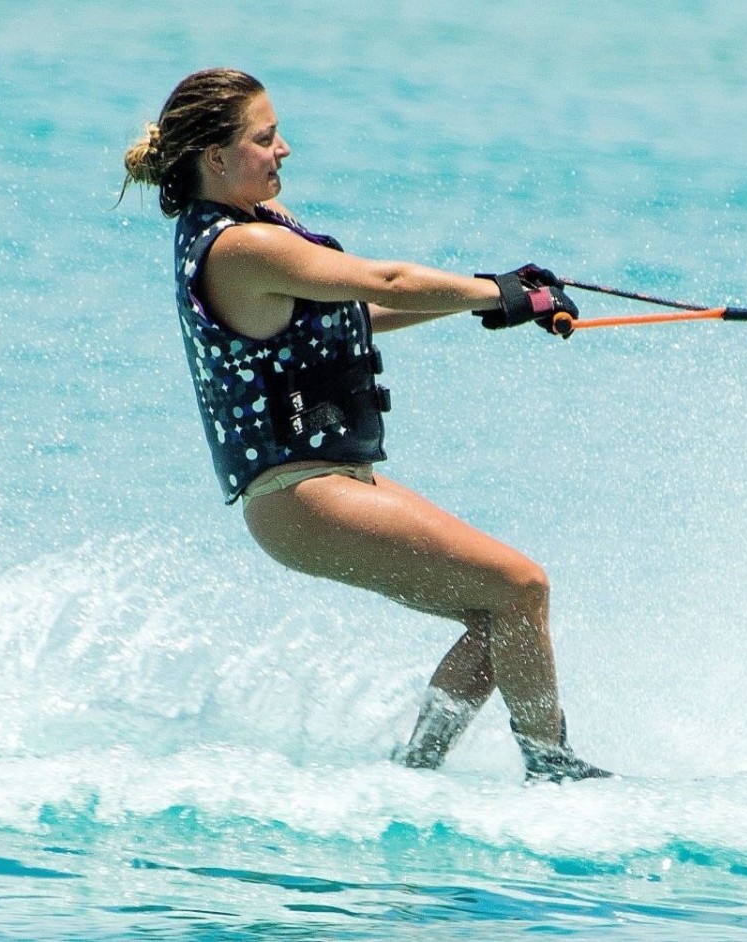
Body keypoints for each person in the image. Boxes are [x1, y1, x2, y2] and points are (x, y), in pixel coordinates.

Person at [121, 68, 610, 783]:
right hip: (303, 497)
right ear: (215, 158)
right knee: (522, 587)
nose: (283, 149)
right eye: (264, 138)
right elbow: (383, 282)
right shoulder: (239, 248)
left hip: (315, 493)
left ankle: (416, 771)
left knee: (501, 615)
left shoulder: (247, 236)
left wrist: (499, 301)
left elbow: (361, 311)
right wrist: (496, 290)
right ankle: (555, 772)